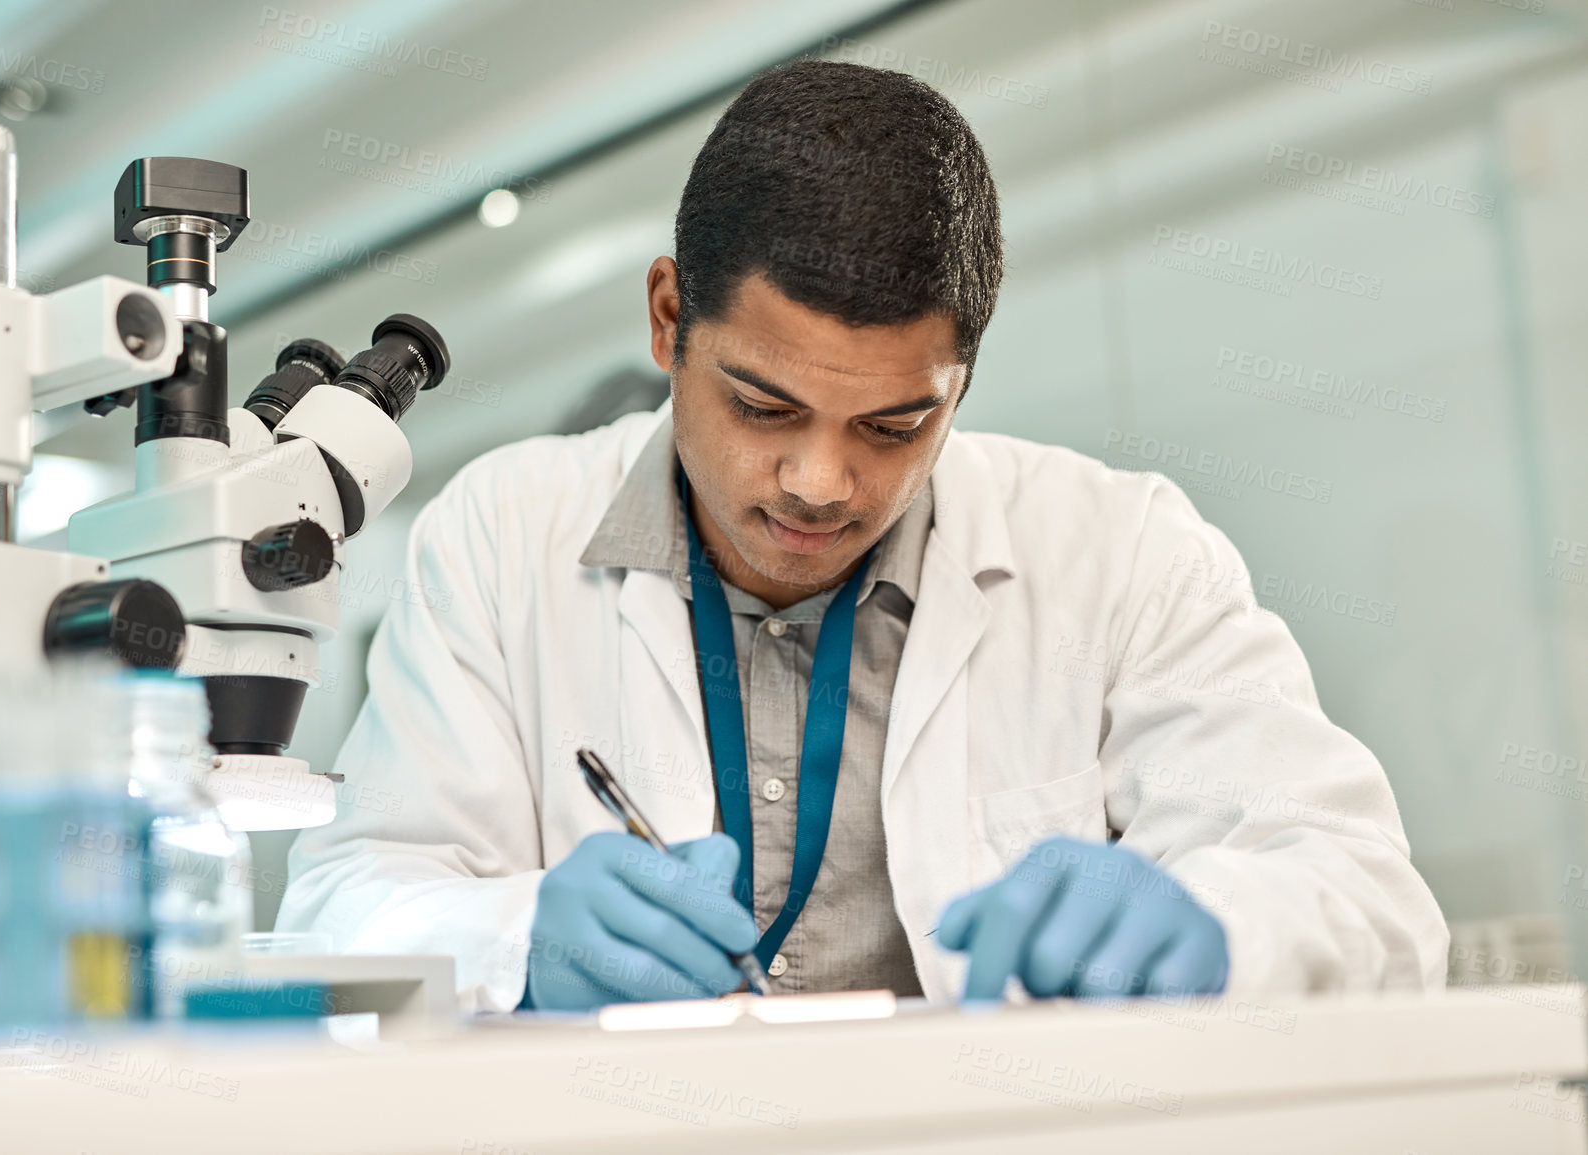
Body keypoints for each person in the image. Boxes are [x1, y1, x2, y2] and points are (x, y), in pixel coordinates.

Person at [277, 61, 1447, 1013]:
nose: (820, 483)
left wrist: (1216, 928)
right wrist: (521, 938)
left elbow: (1369, 900)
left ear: (962, 379)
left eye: (895, 424)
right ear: (668, 317)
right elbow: (340, 906)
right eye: (762, 406)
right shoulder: (502, 534)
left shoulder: (1121, 551)